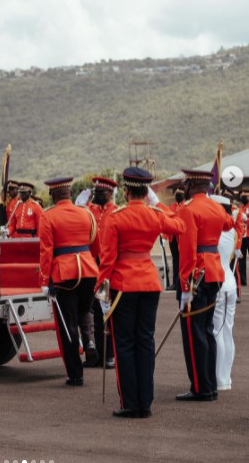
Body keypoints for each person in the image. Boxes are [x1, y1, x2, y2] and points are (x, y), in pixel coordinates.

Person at [97, 167, 185, 418]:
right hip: (149, 282)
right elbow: (179, 225)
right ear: (146, 192)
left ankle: (131, 403)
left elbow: (107, 259)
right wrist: (157, 204)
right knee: (145, 341)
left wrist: (102, 292)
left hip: (124, 284)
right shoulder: (155, 214)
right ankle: (145, 402)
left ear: (125, 191)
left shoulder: (116, 216)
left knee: (124, 343)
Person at [176, 169, 234, 402]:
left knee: (194, 334)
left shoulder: (189, 210)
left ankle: (200, 387)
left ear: (190, 185)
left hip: (197, 276)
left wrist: (185, 285)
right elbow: (230, 223)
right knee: (207, 330)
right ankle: (210, 384)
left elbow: (187, 250)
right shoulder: (215, 207)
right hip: (215, 274)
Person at [39, 176, 99, 386]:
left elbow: (46, 251)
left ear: (53, 194)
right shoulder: (86, 213)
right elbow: (95, 242)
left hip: (65, 273)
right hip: (88, 268)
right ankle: (90, 340)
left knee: (67, 324)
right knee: (86, 310)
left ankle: (75, 373)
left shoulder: (48, 216)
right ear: (70, 193)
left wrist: (45, 280)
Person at [85, 176, 119, 369]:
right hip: (92, 265)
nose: (96, 195)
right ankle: (98, 354)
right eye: (95, 192)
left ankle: (111, 354)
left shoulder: (116, 212)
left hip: (109, 266)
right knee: (96, 312)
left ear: (109, 194)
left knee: (109, 312)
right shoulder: (91, 210)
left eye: (100, 193)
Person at [210, 195, 238, 391]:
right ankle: (225, 377)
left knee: (216, 332)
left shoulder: (215, 230)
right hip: (230, 282)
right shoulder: (233, 230)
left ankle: (219, 379)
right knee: (227, 331)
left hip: (218, 283)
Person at [162, 185, 185, 291]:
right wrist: (164, 236)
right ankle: (175, 283)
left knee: (183, 261)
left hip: (183, 238)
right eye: (176, 194)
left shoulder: (186, 206)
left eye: (180, 193)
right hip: (173, 238)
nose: (178, 195)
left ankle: (183, 282)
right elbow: (167, 221)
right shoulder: (170, 206)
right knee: (175, 261)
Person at [236, 188, 249, 286]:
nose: (245, 197)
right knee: (242, 260)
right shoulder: (239, 208)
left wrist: (246, 219)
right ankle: (243, 280)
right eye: (243, 196)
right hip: (242, 236)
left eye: (246, 195)